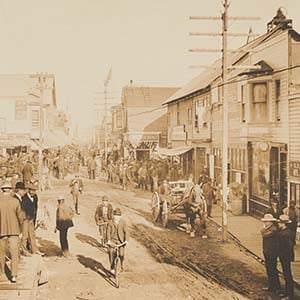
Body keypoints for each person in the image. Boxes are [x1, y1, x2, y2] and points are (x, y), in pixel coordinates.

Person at [0, 182, 24, 283]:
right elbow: (20, 218)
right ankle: (14, 275)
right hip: (14, 231)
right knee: (14, 253)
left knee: (1, 253)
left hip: (1, 231)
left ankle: (2, 273)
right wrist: (21, 230)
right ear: (10, 190)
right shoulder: (15, 202)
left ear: (2, 190)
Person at [260, 213, 281, 294]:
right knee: (269, 269)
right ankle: (272, 286)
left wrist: (264, 229)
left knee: (272, 269)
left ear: (271, 222)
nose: (265, 223)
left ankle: (277, 287)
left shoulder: (273, 229)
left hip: (272, 252)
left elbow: (264, 234)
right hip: (267, 251)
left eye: (267, 221)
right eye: (265, 221)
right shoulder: (269, 228)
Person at [277, 214, 294, 300]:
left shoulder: (286, 234)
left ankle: (289, 295)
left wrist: (283, 255)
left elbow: (289, 246)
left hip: (285, 257)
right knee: (286, 274)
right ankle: (287, 293)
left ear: (283, 224)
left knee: (288, 275)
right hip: (284, 256)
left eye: (279, 223)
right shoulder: (285, 232)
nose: (278, 224)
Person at [107, 208, 129, 272]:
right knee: (111, 252)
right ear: (113, 215)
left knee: (121, 254)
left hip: (120, 241)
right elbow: (108, 232)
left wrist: (126, 240)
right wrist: (108, 240)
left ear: (120, 216)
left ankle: (121, 264)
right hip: (112, 241)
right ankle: (112, 267)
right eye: (116, 215)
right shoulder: (110, 222)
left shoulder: (123, 222)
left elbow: (127, 231)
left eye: (118, 216)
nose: (117, 217)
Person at [21, 183, 40, 255]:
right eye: (32, 190)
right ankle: (24, 251)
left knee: (32, 234)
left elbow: (36, 208)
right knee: (25, 235)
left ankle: (34, 249)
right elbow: (22, 210)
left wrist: (34, 219)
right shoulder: (24, 198)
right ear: (29, 190)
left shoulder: (35, 197)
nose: (34, 192)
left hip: (31, 219)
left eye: (35, 190)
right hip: (25, 219)